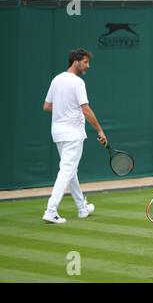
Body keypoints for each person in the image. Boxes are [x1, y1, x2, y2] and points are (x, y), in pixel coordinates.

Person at [42, 48, 107, 224]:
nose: (88, 66)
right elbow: (85, 109)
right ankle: (51, 210)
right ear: (76, 61)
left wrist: (65, 108)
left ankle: (82, 207)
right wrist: (100, 130)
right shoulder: (77, 83)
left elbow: (47, 106)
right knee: (66, 171)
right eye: (85, 62)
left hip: (58, 133)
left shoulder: (56, 80)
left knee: (71, 171)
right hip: (72, 133)